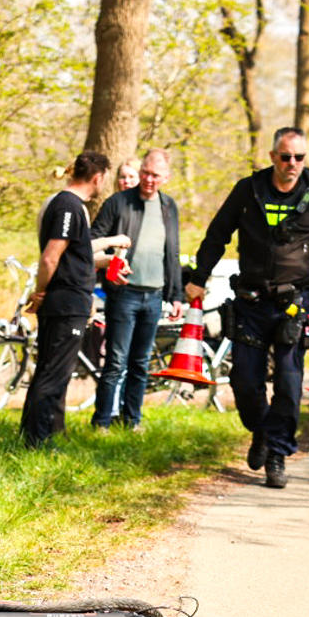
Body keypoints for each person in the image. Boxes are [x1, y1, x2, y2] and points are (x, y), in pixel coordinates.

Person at [189, 127, 309, 488]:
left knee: (288, 382)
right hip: (251, 302)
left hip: (294, 305)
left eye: (299, 157)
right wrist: (198, 276)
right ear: (272, 157)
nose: (292, 163)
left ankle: (277, 454)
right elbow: (217, 235)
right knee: (244, 381)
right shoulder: (248, 191)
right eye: (285, 157)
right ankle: (262, 430)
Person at [20, 152, 127, 449]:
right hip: (65, 303)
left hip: (69, 301)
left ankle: (46, 433)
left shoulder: (72, 206)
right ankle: (38, 442)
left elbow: (75, 256)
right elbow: (50, 257)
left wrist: (109, 262)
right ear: (98, 177)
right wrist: (40, 293)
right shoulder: (68, 206)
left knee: (52, 371)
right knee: (53, 375)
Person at [89, 148, 182, 432]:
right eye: (145, 173)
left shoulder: (169, 207)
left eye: (155, 175)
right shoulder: (118, 203)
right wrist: (111, 263)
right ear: (140, 171)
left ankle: (132, 421)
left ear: (166, 177)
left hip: (154, 295)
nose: (149, 179)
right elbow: (93, 240)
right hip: (123, 294)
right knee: (116, 361)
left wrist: (176, 295)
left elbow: (173, 252)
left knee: (141, 363)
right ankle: (102, 422)